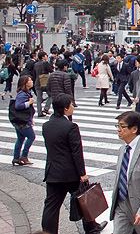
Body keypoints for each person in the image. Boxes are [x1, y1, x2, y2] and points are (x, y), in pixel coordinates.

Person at [41, 93, 107, 234]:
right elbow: (76, 152)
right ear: (65, 109)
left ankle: (47, 232)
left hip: (53, 171)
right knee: (84, 200)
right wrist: (82, 173)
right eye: (71, 105)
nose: (73, 107)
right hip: (70, 173)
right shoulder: (71, 127)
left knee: (51, 206)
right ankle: (91, 228)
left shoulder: (46, 126)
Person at [108, 111, 140, 234]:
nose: (119, 130)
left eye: (122, 126)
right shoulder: (123, 149)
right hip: (121, 204)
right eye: (118, 126)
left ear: (134, 129)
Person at [11, 75, 35, 165]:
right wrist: (29, 103)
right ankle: (24, 156)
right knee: (31, 137)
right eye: (30, 80)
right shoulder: (22, 94)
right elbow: (18, 106)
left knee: (20, 138)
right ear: (25, 83)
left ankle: (16, 158)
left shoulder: (25, 92)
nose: (32, 81)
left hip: (20, 120)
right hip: (22, 121)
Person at [33, 51, 52, 117]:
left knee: (39, 98)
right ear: (43, 57)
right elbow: (51, 70)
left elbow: (34, 73)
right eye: (46, 55)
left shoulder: (36, 64)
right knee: (51, 95)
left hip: (37, 82)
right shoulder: (45, 63)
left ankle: (39, 112)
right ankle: (46, 108)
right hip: (45, 81)